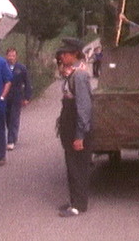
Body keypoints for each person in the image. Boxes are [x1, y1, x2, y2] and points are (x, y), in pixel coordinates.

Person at [55, 38, 93, 217]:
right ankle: (74, 200)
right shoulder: (72, 73)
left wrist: (80, 135)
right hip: (69, 126)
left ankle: (79, 205)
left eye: (66, 53)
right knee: (72, 164)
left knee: (78, 166)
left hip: (76, 128)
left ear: (75, 54)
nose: (62, 56)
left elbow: (84, 108)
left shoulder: (79, 75)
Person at [5, 48, 32, 151]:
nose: (11, 57)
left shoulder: (21, 68)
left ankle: (11, 140)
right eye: (9, 55)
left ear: (16, 56)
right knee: (7, 118)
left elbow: (27, 83)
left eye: (13, 55)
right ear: (6, 56)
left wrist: (27, 97)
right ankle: (13, 135)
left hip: (17, 96)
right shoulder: (3, 67)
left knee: (14, 118)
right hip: (6, 96)